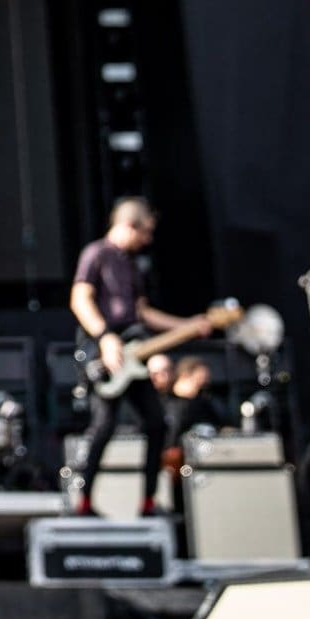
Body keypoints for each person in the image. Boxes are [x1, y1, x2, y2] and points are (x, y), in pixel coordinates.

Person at [68, 198, 210, 517]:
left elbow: (142, 313)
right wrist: (105, 338)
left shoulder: (131, 265)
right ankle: (85, 501)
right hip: (106, 354)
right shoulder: (96, 254)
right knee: (103, 426)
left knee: (157, 424)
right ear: (130, 225)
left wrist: (188, 325)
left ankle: (147, 501)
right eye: (145, 232)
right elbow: (80, 299)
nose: (148, 240)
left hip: (135, 352)